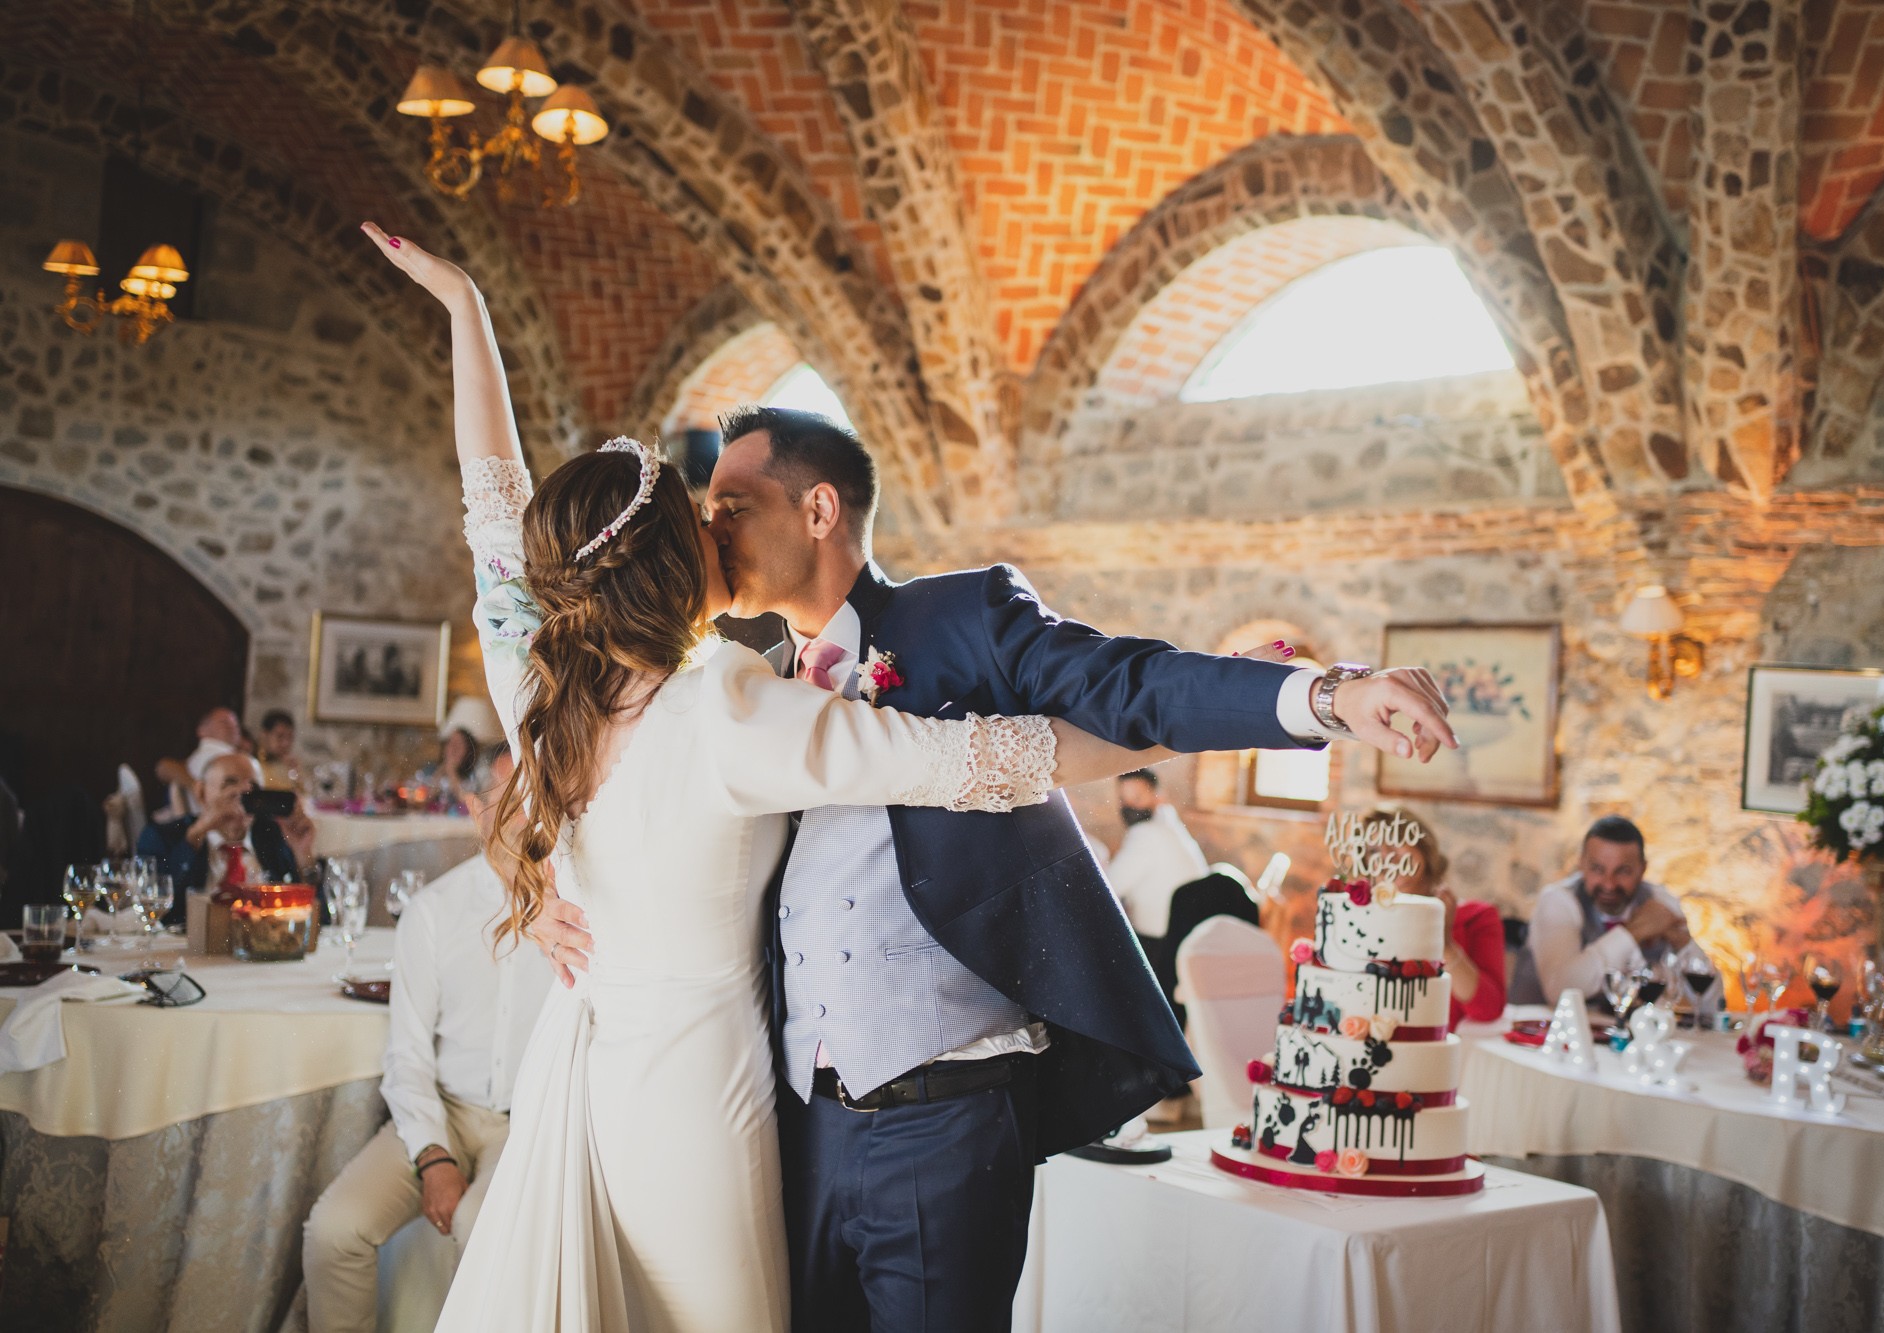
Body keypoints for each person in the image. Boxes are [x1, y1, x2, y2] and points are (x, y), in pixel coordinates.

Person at [362, 222, 1366, 1332]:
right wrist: (1208, 731)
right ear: (666, 567)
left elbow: (493, 511)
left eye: (728, 508)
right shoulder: (725, 701)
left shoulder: (537, 694)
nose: (717, 529)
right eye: (703, 520)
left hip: (601, 1074)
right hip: (720, 1095)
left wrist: (466, 307)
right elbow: (987, 761)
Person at [302, 750, 550, 1333]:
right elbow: (407, 1055)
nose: (526, 814)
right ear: (474, 809)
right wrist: (433, 1156)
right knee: (334, 1230)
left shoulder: (579, 904)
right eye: (509, 798)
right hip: (447, 1112)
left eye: (538, 796)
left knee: (479, 1225)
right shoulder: (434, 910)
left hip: (534, 1123)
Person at [1511, 814, 1704, 1005]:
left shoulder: (1660, 903)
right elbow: (1561, 990)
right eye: (1597, 869)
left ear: (1643, 869)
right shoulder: (1558, 900)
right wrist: (1633, 932)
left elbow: (1712, 1006)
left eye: (1623, 871)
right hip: (1538, 1031)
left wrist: (1683, 944)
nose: (1609, 884)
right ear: (1581, 864)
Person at [1357, 807, 1505, 1031]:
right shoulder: (1357, 920)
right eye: (1374, 851)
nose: (1388, 855)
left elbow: (1488, 1009)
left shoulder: (1476, 917)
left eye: (1396, 841)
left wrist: (1444, 943)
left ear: (1422, 846)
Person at [135, 753, 316, 923]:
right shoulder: (162, 836)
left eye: (253, 789)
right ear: (201, 793)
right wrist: (194, 837)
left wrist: (303, 856)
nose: (243, 795)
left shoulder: (270, 836)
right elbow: (157, 913)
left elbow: (316, 919)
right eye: (230, 784)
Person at [1105, 768, 1211, 942]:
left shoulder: (1147, 833)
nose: (1129, 806)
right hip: (1187, 933)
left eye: (1137, 798)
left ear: (1158, 796)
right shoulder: (1168, 823)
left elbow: (1111, 886)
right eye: (1123, 800)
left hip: (1161, 939)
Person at [153, 706, 247, 810]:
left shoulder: (195, 759)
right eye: (224, 723)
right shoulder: (222, 756)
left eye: (236, 724)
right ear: (201, 730)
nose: (232, 727)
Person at [257, 709, 304, 792]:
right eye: (280, 737)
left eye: (290, 737)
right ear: (264, 735)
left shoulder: (291, 765)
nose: (286, 743)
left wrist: (294, 773)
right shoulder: (253, 763)